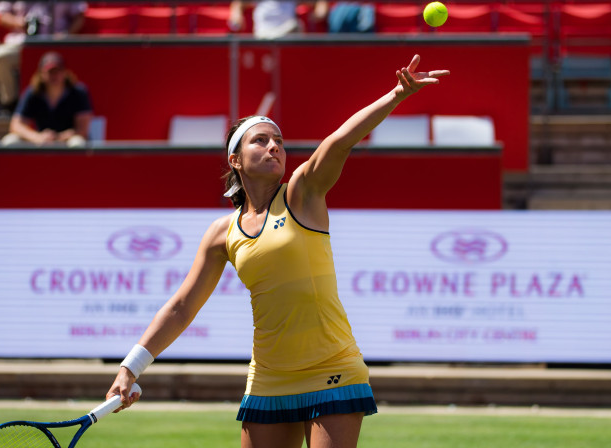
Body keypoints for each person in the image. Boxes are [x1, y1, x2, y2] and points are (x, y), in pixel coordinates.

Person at [107, 54, 449, 448]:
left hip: (333, 367)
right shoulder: (222, 233)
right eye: (261, 140)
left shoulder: (303, 192)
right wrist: (130, 368)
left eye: (279, 142)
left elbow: (338, 142)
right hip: (269, 377)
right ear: (235, 160)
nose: (275, 148)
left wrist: (395, 96)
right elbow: (182, 306)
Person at [0, 1, 87, 114]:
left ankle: (68, 103)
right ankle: (11, 104)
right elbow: (2, 16)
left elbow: (79, 18)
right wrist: (20, 22)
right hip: (22, 43)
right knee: (1, 56)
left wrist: (66, 35)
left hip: (57, 44)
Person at [1, 51, 92, 147]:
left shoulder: (78, 92)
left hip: (67, 139)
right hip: (40, 139)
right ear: (41, 74)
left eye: (57, 71)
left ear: (65, 72)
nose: (54, 76)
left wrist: (57, 137)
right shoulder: (33, 92)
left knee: (78, 143)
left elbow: (82, 130)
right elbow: (16, 125)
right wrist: (37, 137)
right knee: (10, 140)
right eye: (50, 72)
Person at [229, 0, 327, 39]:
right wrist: (236, 15)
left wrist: (320, 12)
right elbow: (238, 4)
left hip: (289, 33)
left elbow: (319, 2)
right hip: (264, 34)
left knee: (295, 26)